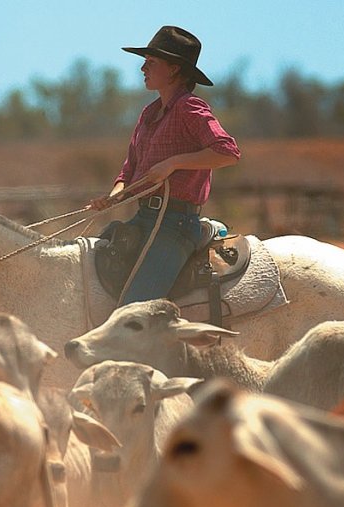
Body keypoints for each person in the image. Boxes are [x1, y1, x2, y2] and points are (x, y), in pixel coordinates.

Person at [89, 25, 241, 305]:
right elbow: (128, 171)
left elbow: (227, 152)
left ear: (173, 69)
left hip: (176, 224)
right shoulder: (149, 113)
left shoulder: (190, 107)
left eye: (151, 62)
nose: (142, 68)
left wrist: (173, 163)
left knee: (134, 309)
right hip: (144, 218)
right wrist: (113, 198)